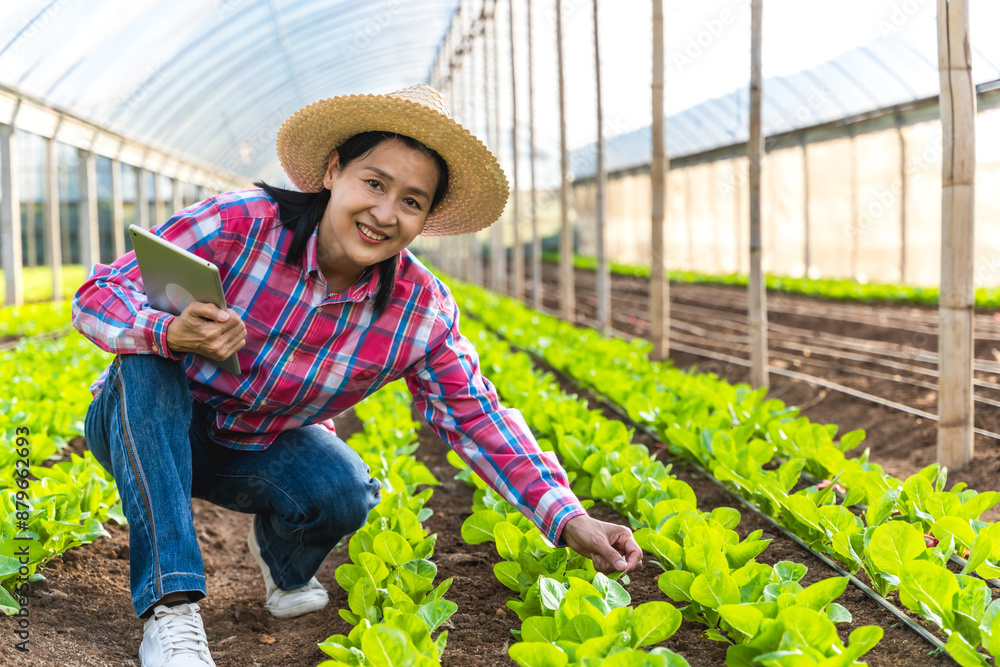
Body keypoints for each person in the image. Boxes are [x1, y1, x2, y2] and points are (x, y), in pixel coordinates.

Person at [72, 84, 642, 667]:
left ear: (426, 219)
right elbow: (98, 294)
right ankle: (171, 611)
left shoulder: (421, 310)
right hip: (141, 428)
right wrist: (170, 333)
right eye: (374, 183)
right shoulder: (237, 223)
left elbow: (477, 416)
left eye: (412, 201)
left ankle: (282, 559)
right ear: (332, 171)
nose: (385, 213)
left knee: (345, 488)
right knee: (147, 362)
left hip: (255, 449)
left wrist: (568, 516)